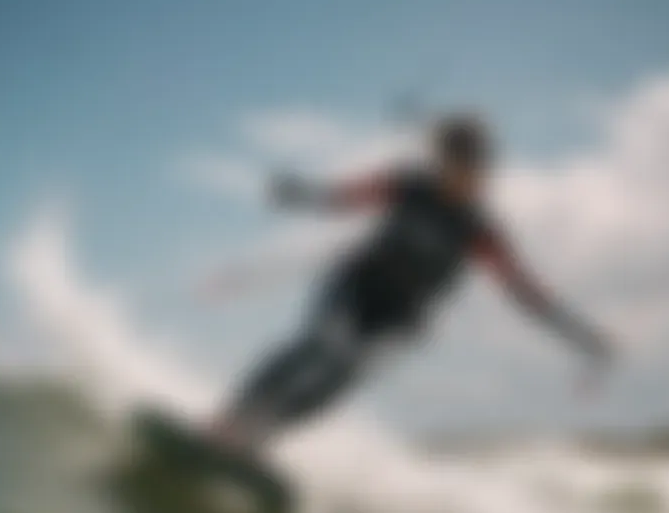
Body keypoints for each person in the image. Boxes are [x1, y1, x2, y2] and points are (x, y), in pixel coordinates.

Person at [205, 115, 613, 451]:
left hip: (402, 317)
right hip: (356, 287)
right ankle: (230, 420)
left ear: (483, 171)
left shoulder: (479, 229)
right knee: (320, 345)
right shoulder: (409, 185)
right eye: (456, 164)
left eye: (475, 169)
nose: (465, 176)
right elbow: (342, 197)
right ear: (442, 160)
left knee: (343, 373)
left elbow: (525, 294)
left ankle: (257, 438)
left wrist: (582, 336)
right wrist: (297, 193)